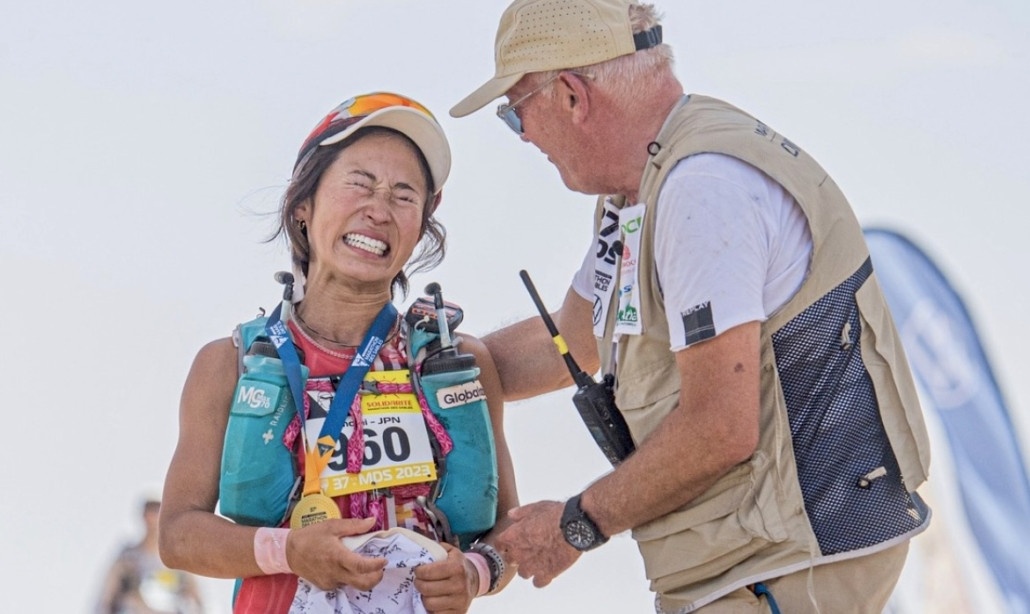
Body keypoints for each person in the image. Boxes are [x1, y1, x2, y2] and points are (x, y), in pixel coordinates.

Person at [449, 1, 932, 612]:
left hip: (783, 565)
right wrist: (431, 365)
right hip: (751, 565)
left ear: (571, 95)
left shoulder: (701, 191)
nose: (526, 139)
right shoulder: (639, 192)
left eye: (517, 115)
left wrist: (576, 524)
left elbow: (719, 429)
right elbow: (572, 339)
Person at [160, 92, 518, 614]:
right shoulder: (229, 363)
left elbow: (507, 524)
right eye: (359, 183)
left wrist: (478, 572)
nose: (378, 210)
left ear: (421, 226)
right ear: (303, 205)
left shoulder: (456, 363)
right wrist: (288, 551)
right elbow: (177, 534)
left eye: (403, 195)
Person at [95, 495, 205, 614]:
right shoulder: (127, 561)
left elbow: (198, 601)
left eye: (158, 510)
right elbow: (105, 600)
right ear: (143, 515)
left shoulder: (178, 560)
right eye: (150, 510)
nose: (153, 517)